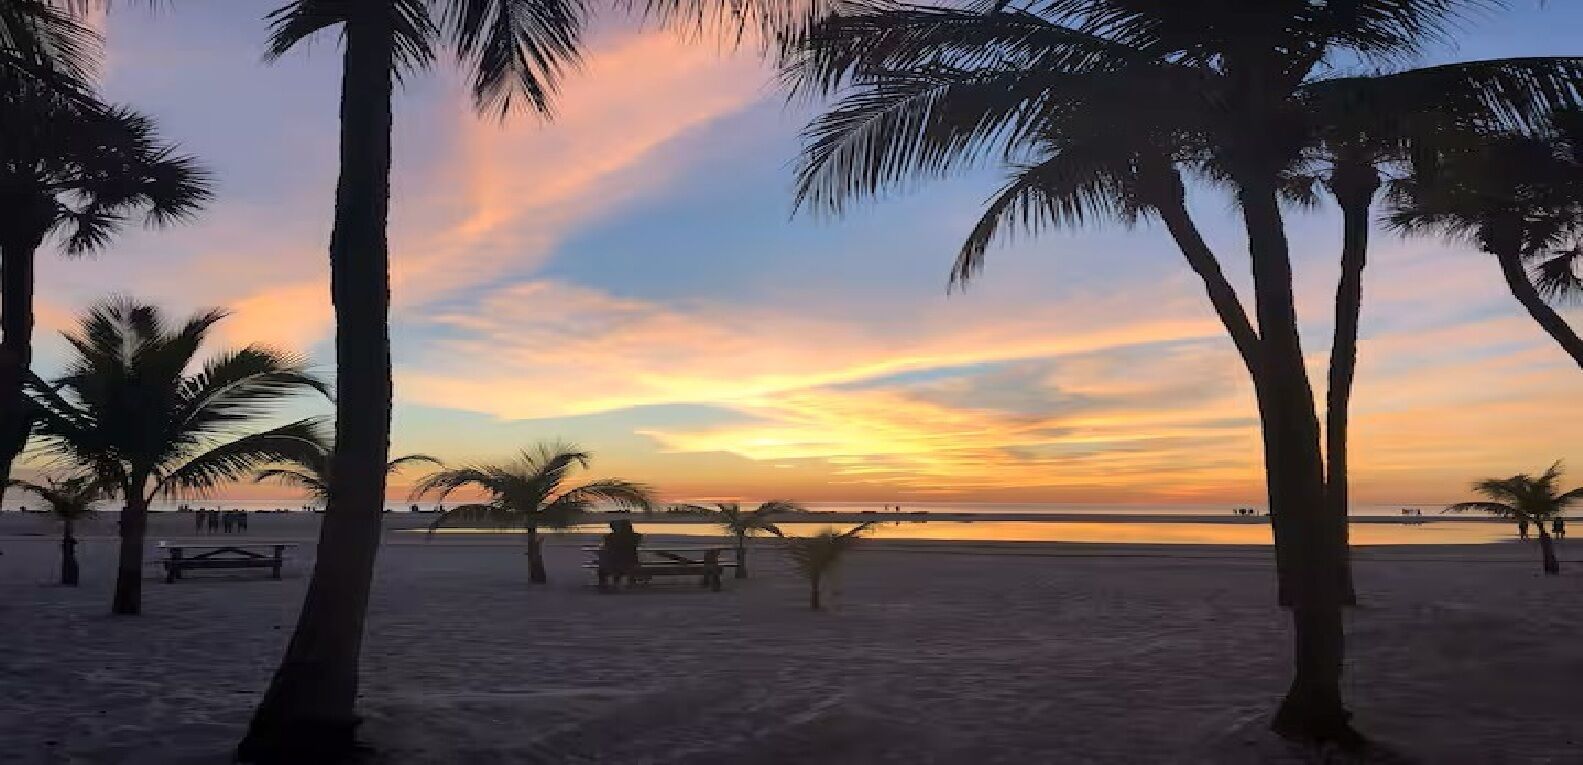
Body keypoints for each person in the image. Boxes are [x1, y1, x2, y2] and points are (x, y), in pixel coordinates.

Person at [597, 519, 644, 592]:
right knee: (623, 562)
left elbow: (605, 549)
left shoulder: (609, 537)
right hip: (631, 563)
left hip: (613, 564)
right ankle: (627, 581)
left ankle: (604, 585)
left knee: (604, 566)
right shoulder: (636, 537)